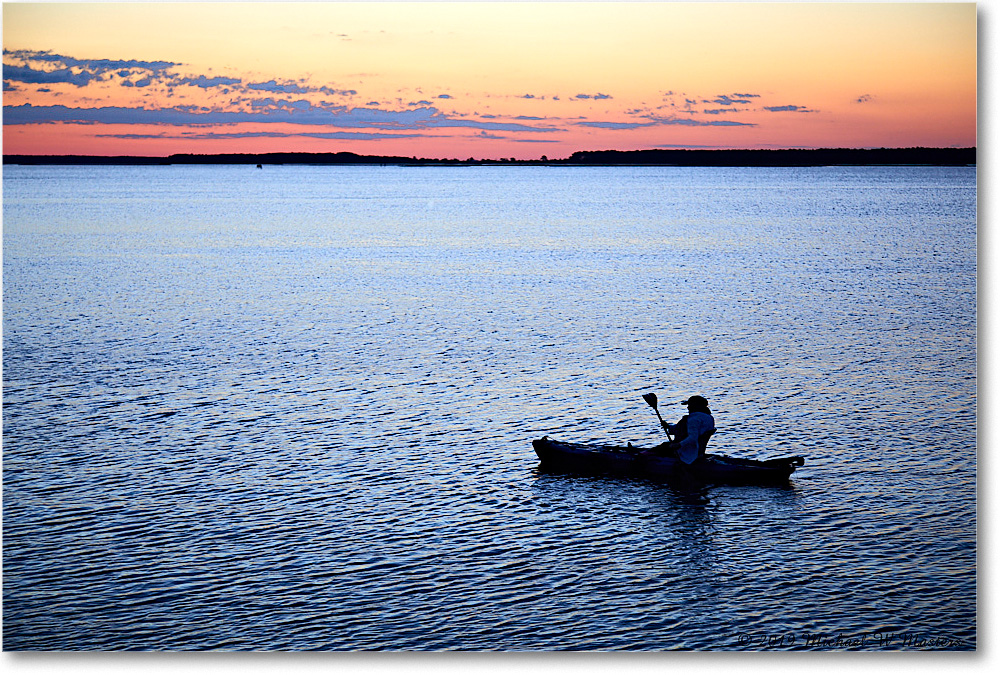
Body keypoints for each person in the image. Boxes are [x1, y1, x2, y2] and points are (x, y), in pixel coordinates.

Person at [656, 396, 716, 464]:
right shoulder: (709, 417)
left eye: (689, 405)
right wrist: (668, 427)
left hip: (686, 453)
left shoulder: (693, 419)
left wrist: (678, 445)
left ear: (695, 406)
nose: (688, 407)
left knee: (658, 449)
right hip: (698, 451)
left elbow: (693, 437)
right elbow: (684, 429)